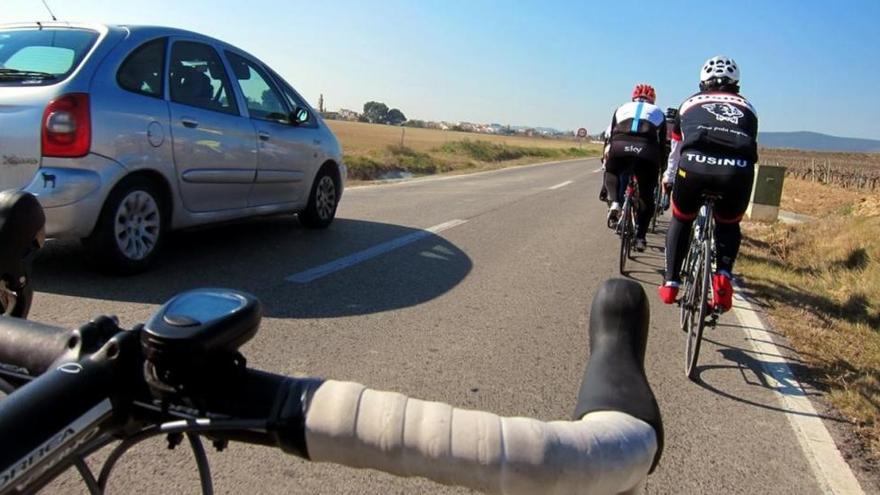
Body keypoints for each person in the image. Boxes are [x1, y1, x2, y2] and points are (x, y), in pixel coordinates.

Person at [658, 56, 758, 312]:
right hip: (737, 173)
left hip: (694, 167)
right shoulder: (749, 108)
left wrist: (669, 177)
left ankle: (670, 283)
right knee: (728, 223)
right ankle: (723, 274)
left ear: (703, 81)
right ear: (736, 83)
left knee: (681, 218)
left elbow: (676, 150)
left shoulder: (689, 103)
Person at [603, 84, 667, 252]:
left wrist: (607, 159)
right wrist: (661, 168)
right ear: (652, 99)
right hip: (646, 152)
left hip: (620, 147)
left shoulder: (621, 108)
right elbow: (661, 146)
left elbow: (610, 136)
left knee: (611, 172)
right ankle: (640, 237)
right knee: (646, 195)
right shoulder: (659, 112)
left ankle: (615, 202)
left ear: (633, 98)